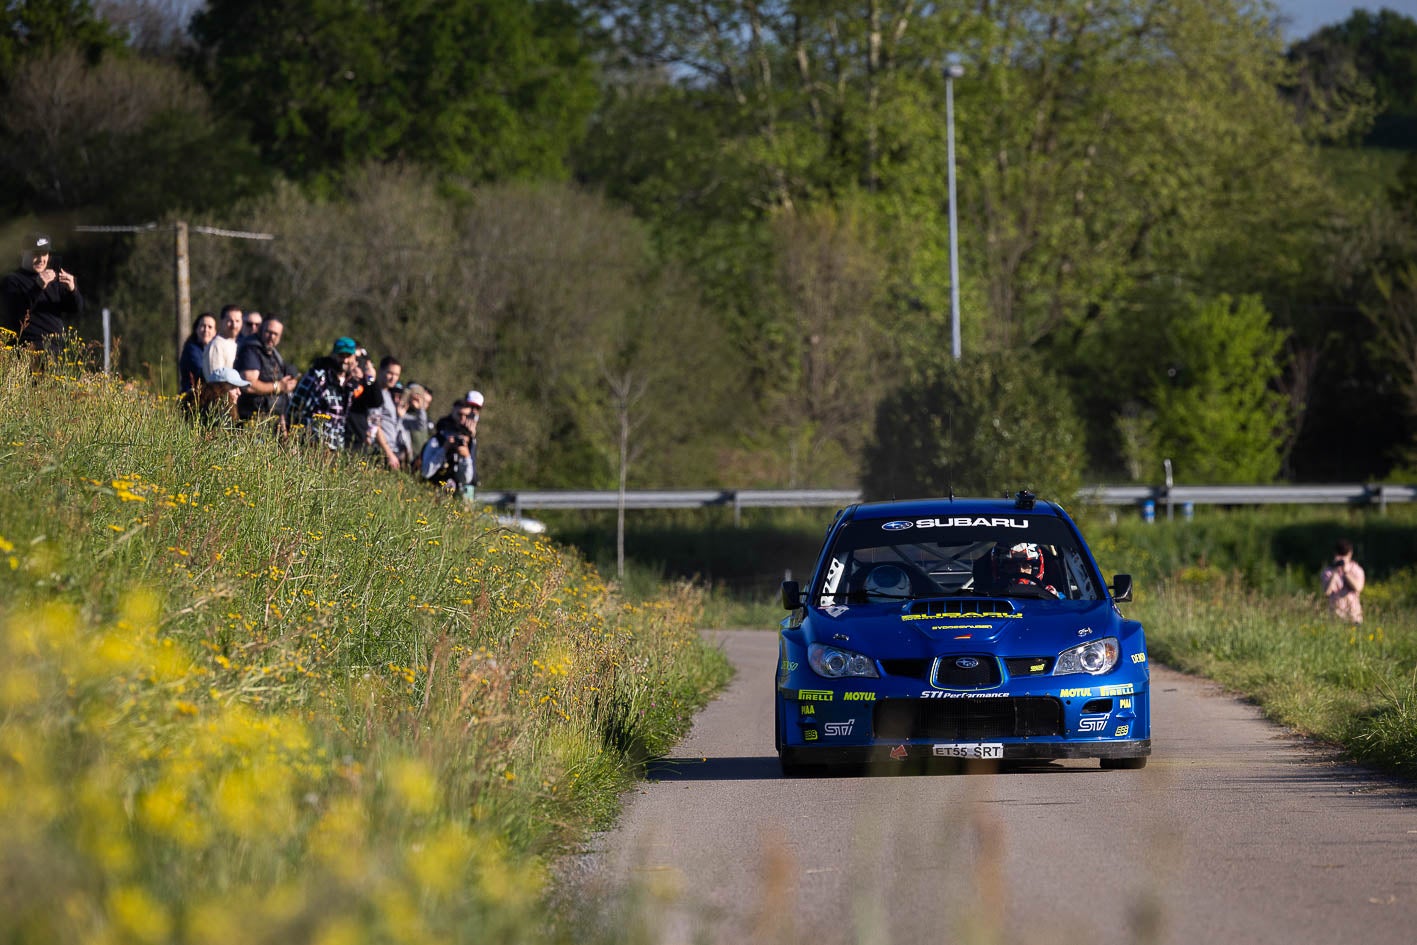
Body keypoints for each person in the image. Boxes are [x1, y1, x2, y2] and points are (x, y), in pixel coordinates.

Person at [1, 234, 84, 355]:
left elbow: (76, 309)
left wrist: (72, 290)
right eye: (36, 254)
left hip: (56, 350)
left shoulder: (54, 279)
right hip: (28, 350)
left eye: (44, 254)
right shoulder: (12, 281)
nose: (41, 259)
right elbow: (15, 314)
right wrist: (37, 287)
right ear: (23, 253)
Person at [288, 336, 362, 451]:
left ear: (354, 358)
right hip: (312, 444)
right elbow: (295, 406)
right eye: (341, 356)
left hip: (336, 447)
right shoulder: (318, 376)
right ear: (333, 355)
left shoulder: (351, 382)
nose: (345, 360)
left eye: (348, 356)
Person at [234, 315, 298, 424]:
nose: (271, 336)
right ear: (261, 330)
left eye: (275, 334)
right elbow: (248, 385)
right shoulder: (251, 350)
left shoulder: (273, 354)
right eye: (269, 332)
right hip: (253, 421)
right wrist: (278, 386)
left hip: (271, 420)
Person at [349, 356, 405, 469]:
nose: (393, 378)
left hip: (390, 450)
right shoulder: (376, 394)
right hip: (379, 451)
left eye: (396, 375)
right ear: (380, 371)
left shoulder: (389, 394)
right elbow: (375, 423)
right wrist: (389, 453)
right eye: (390, 373)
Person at [420, 397, 479, 500]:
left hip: (455, 495)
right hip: (432, 494)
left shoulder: (468, 442)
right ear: (453, 413)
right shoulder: (437, 440)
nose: (463, 419)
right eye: (459, 414)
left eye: (466, 416)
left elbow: (466, 479)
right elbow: (426, 472)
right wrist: (443, 449)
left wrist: (466, 457)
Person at [991, 541, 1061, 598]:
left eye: (1025, 565)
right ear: (1002, 568)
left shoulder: (1049, 593)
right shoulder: (987, 595)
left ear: (1035, 568)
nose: (1020, 571)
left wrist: (1055, 597)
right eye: (1012, 566)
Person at [1321, 538, 1365, 624]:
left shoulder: (1356, 570)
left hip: (1354, 617)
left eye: (1344, 554)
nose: (1342, 557)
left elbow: (1358, 588)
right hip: (1335, 617)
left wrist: (1345, 572)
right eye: (1340, 553)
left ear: (1350, 554)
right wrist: (1335, 572)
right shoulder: (1328, 572)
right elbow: (1327, 592)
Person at [179, 312, 217, 400]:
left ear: (215, 332)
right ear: (196, 329)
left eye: (210, 327)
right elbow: (202, 372)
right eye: (203, 326)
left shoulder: (214, 350)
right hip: (191, 399)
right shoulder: (191, 349)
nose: (206, 330)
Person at [203, 304, 242, 380]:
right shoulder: (217, 345)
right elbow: (216, 380)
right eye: (230, 321)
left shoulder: (236, 344)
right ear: (221, 322)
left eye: (237, 321)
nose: (234, 325)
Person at [400, 383, 434, 465]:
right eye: (422, 400)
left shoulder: (428, 422)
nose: (424, 404)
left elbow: (421, 424)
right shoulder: (403, 413)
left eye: (427, 402)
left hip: (415, 461)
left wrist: (420, 409)